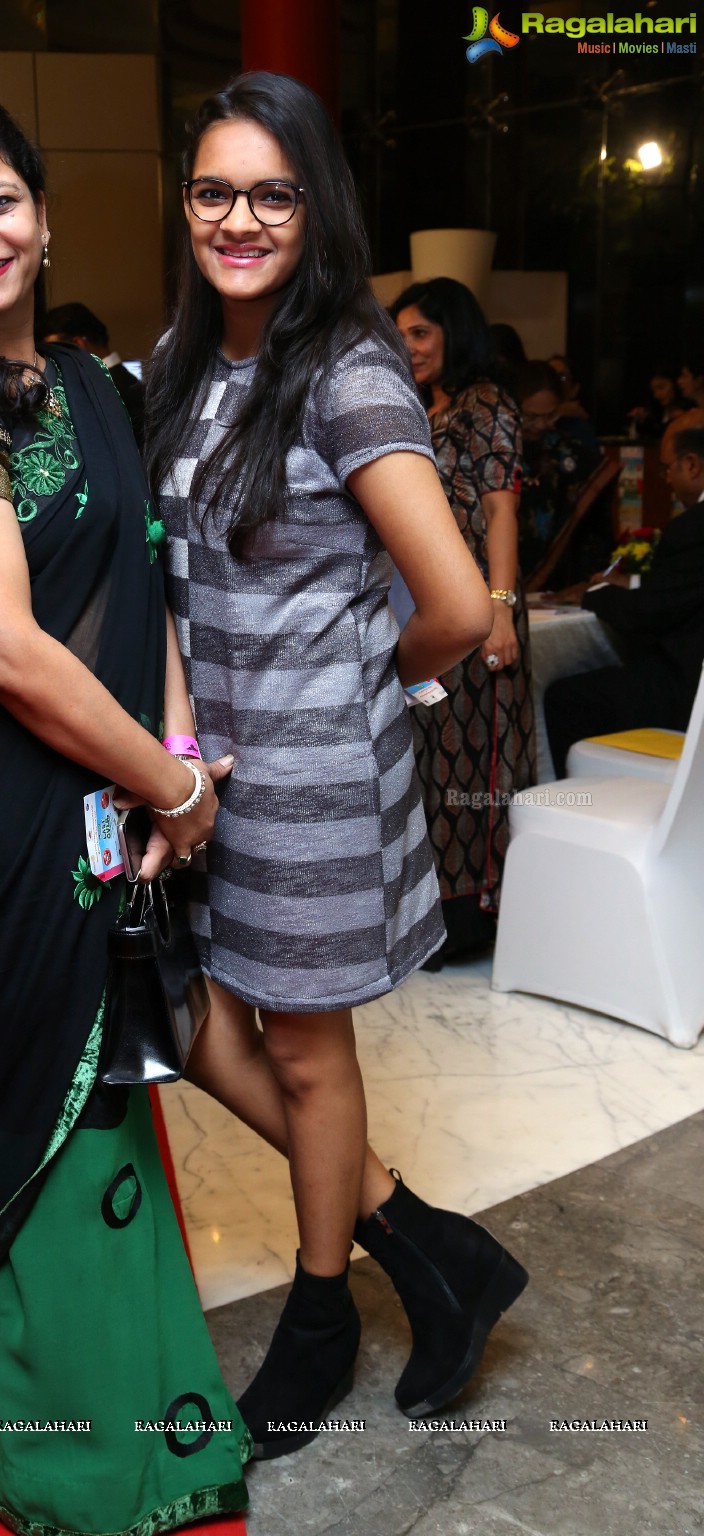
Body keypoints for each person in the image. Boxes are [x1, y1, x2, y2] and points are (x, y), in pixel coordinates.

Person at [0, 85, 250, 1533]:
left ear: (41, 205)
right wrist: (171, 783)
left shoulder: (93, 382)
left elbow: (139, 567)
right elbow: (9, 649)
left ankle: (152, 1412)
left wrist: (182, 741)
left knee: (118, 1092)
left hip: (112, 795)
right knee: (38, 1093)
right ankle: (69, 1458)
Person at [145, 71, 526, 1459]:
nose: (238, 217)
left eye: (271, 192)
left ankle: (323, 1313)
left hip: (309, 780)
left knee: (303, 1054)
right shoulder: (198, 355)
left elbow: (457, 602)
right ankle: (434, 1256)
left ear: (317, 207)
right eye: (213, 190)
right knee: (204, 1023)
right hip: (222, 773)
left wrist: (378, 685)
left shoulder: (347, 369)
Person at [390, 277, 535, 950]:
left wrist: (500, 609)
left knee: (476, 764)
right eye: (401, 334)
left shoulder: (486, 404)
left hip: (480, 610)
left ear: (456, 332)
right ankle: (433, 916)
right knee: (432, 760)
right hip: (427, 612)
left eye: (421, 332)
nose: (408, 345)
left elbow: (502, 509)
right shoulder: (418, 406)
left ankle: (473, 919)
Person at [544, 411, 704, 777]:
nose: (665, 479)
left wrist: (589, 594)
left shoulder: (693, 527)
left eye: (668, 468)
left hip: (687, 690)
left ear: (692, 465)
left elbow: (647, 613)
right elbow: (682, 589)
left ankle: (582, 799)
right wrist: (628, 585)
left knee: (565, 697)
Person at [516, 359, 613, 587]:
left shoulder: (571, 454)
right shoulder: (498, 453)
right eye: (530, 417)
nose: (540, 425)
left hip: (562, 579)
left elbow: (596, 529)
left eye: (550, 416)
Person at [41, 300, 145, 446]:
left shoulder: (105, 388)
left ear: (77, 345)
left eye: (56, 351)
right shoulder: (129, 382)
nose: (50, 360)